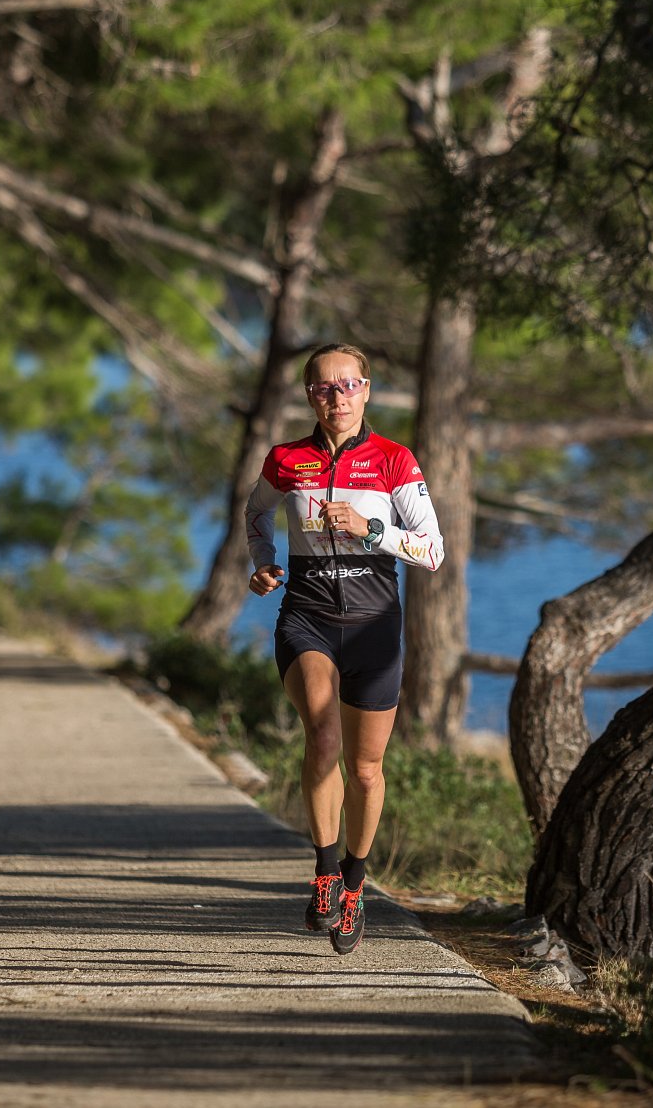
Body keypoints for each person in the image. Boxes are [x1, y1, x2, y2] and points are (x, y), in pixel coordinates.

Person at [245, 343, 444, 955]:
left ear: (367, 390)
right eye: (325, 388)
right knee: (323, 739)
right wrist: (264, 564)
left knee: (365, 769)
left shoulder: (393, 460)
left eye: (349, 385)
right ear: (310, 395)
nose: (338, 398)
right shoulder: (288, 459)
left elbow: (433, 552)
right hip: (306, 617)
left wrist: (370, 529)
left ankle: (357, 884)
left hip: (375, 626)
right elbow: (256, 514)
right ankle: (325, 870)